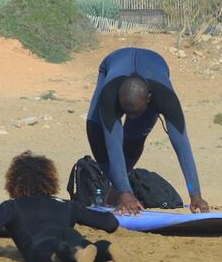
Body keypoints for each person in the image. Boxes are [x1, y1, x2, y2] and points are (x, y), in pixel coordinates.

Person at [0, 152, 134, 262]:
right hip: (71, 235)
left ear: (13, 182)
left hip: (44, 243)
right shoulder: (67, 205)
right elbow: (109, 223)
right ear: (49, 180)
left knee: (56, 255)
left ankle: (78, 254)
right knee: (89, 252)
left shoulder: (12, 206)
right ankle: (107, 248)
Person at [86, 47, 208, 215]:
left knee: (134, 139)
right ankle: (121, 191)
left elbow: (182, 145)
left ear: (149, 99)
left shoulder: (165, 98)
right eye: (127, 112)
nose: (131, 117)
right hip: (112, 64)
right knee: (95, 131)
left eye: (135, 112)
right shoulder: (110, 95)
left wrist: (195, 194)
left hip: (156, 65)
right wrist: (125, 192)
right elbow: (112, 145)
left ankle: (118, 191)